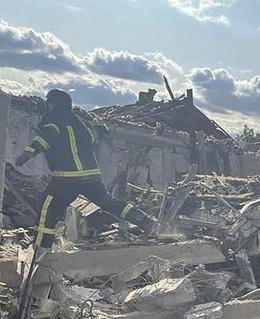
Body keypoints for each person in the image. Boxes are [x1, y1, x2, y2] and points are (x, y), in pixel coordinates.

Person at [14, 89, 156, 249]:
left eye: (49, 102)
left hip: (66, 178)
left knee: (48, 208)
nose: (47, 106)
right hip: (91, 176)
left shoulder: (55, 119)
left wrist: (27, 154)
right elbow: (92, 138)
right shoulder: (80, 122)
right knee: (107, 201)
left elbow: (46, 137)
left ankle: (41, 249)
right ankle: (145, 220)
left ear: (54, 103)